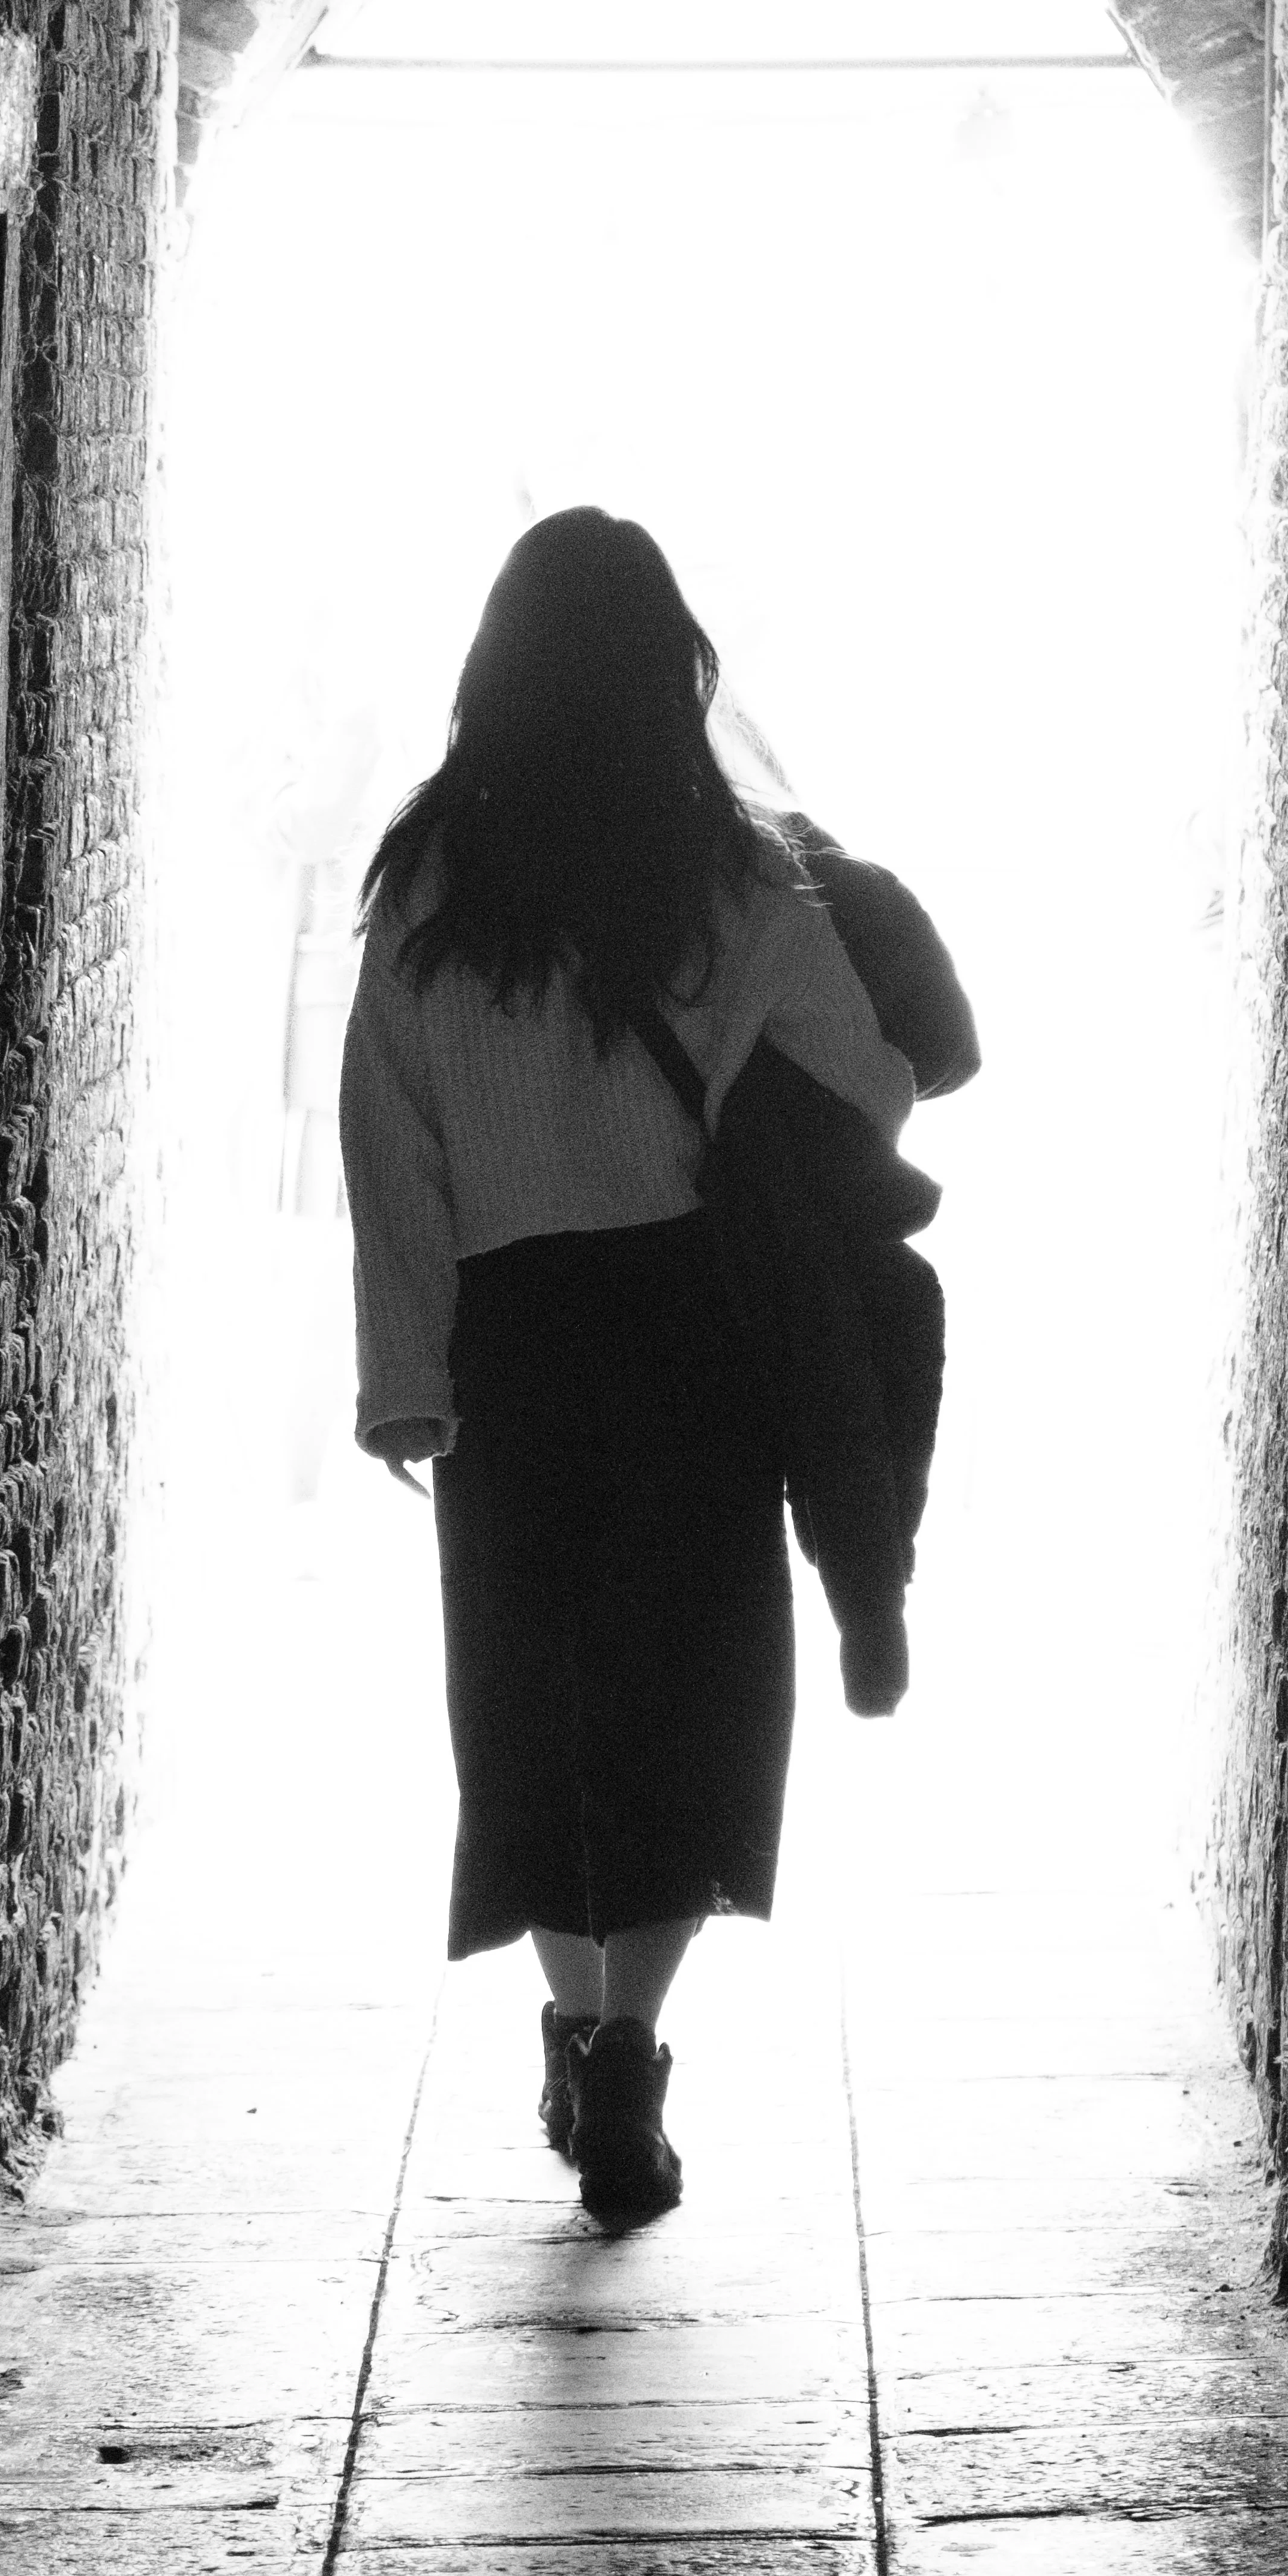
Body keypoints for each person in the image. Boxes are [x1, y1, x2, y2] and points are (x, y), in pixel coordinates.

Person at [339, 508, 916, 2223]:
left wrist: (404, 1373)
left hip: (515, 1350)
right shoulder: (734, 878)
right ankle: (624, 2055)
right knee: (687, 1703)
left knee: (536, 1703)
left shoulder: (426, 887)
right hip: (686, 1339)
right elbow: (874, 1086)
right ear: (673, 673)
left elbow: (391, 1142)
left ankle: (586, 2031)